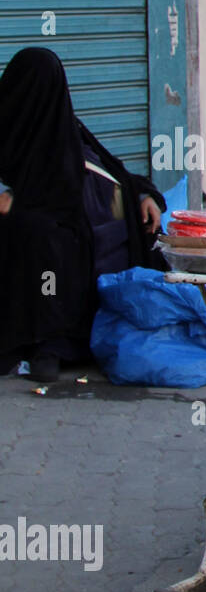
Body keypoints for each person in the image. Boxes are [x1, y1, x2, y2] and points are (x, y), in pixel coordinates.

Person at [0, 48, 165, 382]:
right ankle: (40, 343)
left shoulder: (61, 129)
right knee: (40, 234)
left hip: (64, 255)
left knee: (58, 236)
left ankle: (54, 344)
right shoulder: (9, 129)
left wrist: (145, 196)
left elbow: (109, 169)